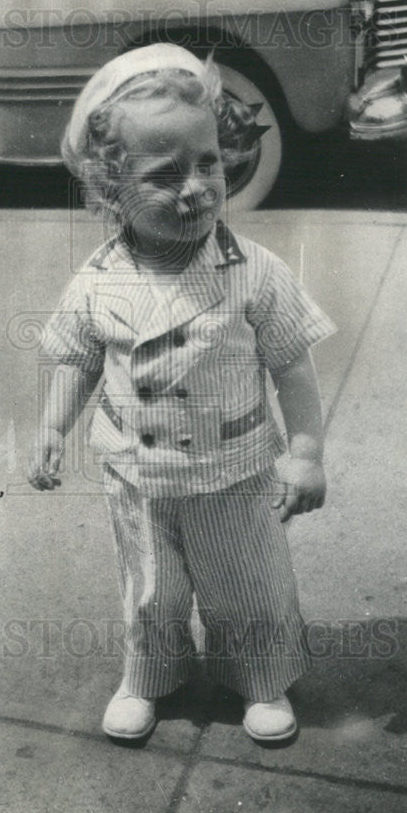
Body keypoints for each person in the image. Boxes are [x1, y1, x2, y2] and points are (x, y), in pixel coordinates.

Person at [27, 44, 335, 743]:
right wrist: (52, 426)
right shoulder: (98, 279)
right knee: (148, 588)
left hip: (234, 471)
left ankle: (259, 677)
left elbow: (290, 366)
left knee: (247, 583)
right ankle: (149, 673)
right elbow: (75, 358)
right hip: (137, 476)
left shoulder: (253, 272)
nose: (195, 187)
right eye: (164, 175)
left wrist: (307, 452)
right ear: (111, 192)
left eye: (208, 163)